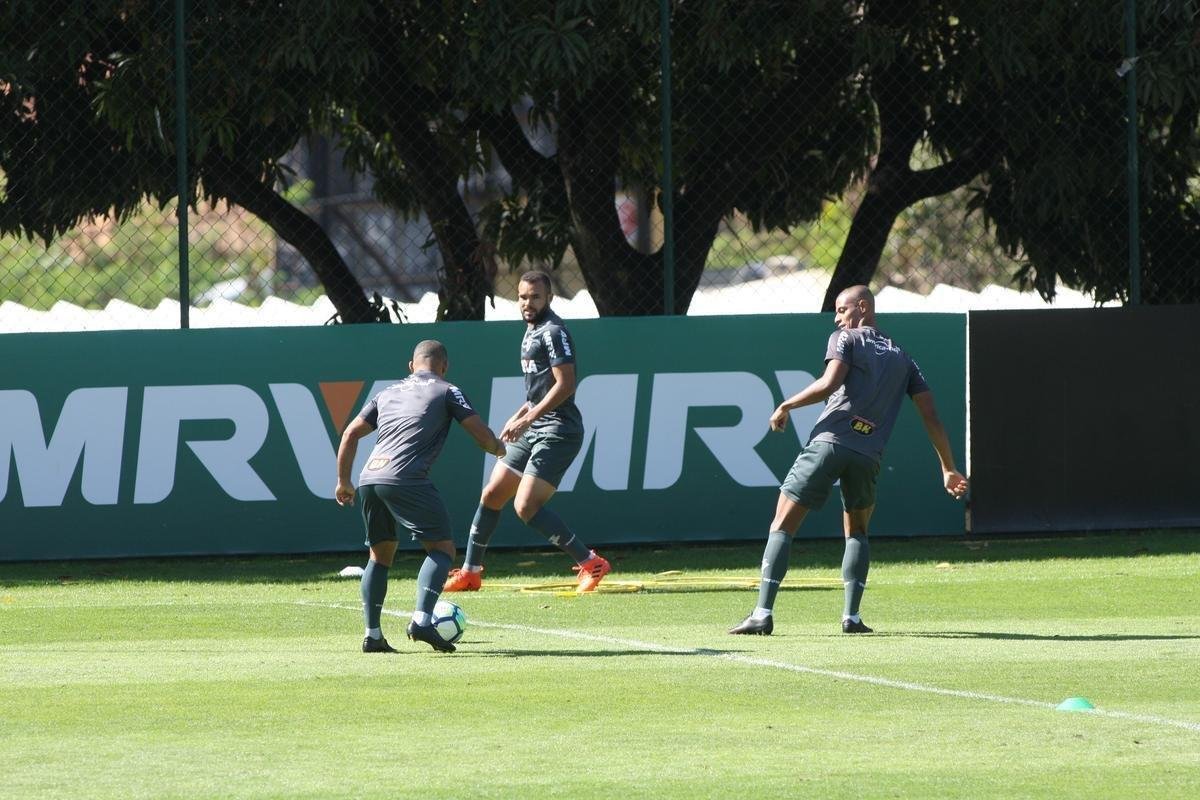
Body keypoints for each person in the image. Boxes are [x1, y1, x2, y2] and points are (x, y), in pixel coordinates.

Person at [729, 285, 968, 636]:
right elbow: (931, 415)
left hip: (830, 441)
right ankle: (852, 617)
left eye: (842, 310)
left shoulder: (847, 339)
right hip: (868, 454)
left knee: (782, 523)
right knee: (857, 531)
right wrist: (947, 467)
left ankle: (762, 613)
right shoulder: (904, 358)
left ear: (861, 308)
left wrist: (786, 405)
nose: (838, 318)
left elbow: (828, 384)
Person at [442, 270, 612, 594]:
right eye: (522, 297)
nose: (527, 303)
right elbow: (537, 392)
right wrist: (519, 414)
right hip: (536, 425)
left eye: (535, 297)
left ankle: (592, 563)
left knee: (525, 507)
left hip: (559, 430)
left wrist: (527, 418)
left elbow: (566, 386)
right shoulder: (530, 331)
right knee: (492, 494)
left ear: (548, 297)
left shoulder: (553, 331)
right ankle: (471, 572)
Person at [335, 339, 506, 653]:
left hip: (370, 478)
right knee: (442, 549)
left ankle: (373, 635)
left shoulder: (385, 393)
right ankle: (422, 619)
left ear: (411, 366)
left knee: (379, 556)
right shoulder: (447, 390)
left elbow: (349, 433)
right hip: (405, 478)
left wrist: (344, 482)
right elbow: (482, 438)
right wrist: (500, 448)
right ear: (444, 366)